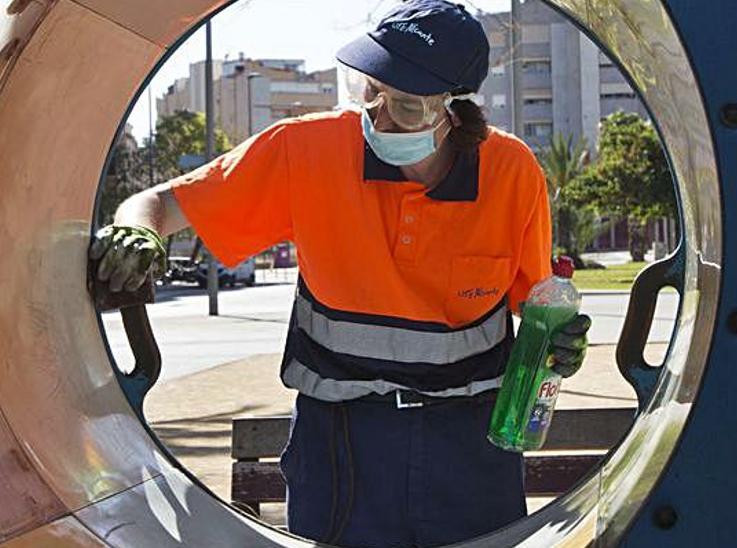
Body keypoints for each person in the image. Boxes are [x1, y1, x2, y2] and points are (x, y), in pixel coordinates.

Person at [89, 1, 591, 545]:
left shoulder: (512, 173)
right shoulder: (306, 152)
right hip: (343, 445)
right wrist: (138, 231)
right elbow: (159, 202)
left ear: (456, 112)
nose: (378, 115)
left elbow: (534, 305)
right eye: (369, 91)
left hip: (470, 447)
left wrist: (557, 343)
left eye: (406, 105)